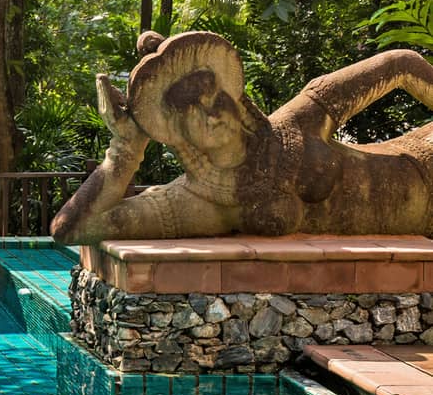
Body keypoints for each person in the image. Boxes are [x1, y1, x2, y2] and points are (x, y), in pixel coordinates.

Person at [51, 30, 433, 244]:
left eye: (215, 98)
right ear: (178, 132)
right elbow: (74, 229)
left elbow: (401, 64)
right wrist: (126, 147)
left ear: (237, 100)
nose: (211, 113)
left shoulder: (296, 122)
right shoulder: (196, 204)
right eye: (192, 111)